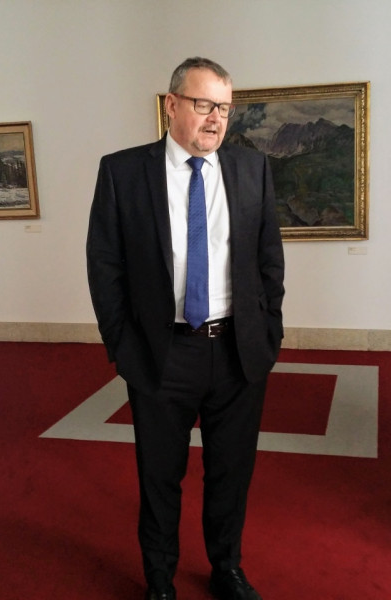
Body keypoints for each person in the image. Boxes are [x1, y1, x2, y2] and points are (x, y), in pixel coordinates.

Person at [87, 57, 285, 600]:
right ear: (171, 105)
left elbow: (269, 258)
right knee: (159, 475)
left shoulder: (251, 168)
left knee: (230, 472)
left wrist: (269, 331)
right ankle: (159, 580)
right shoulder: (124, 172)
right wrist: (122, 345)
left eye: (224, 107)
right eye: (204, 104)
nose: (216, 118)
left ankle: (227, 567)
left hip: (237, 351)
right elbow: (104, 264)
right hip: (161, 353)